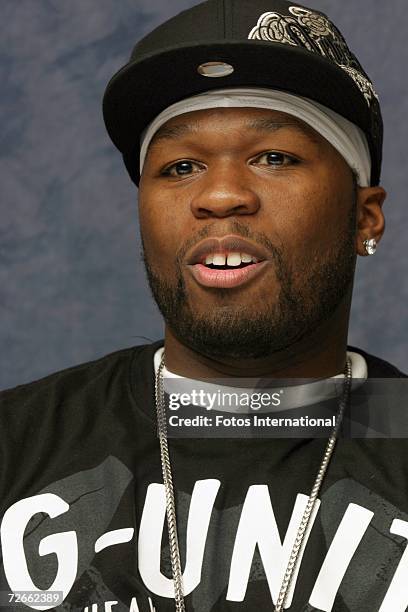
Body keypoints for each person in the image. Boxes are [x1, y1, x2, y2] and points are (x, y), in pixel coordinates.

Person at [0, 1, 407, 611]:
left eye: (274, 157)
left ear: (364, 217)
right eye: (180, 166)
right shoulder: (16, 443)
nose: (220, 195)